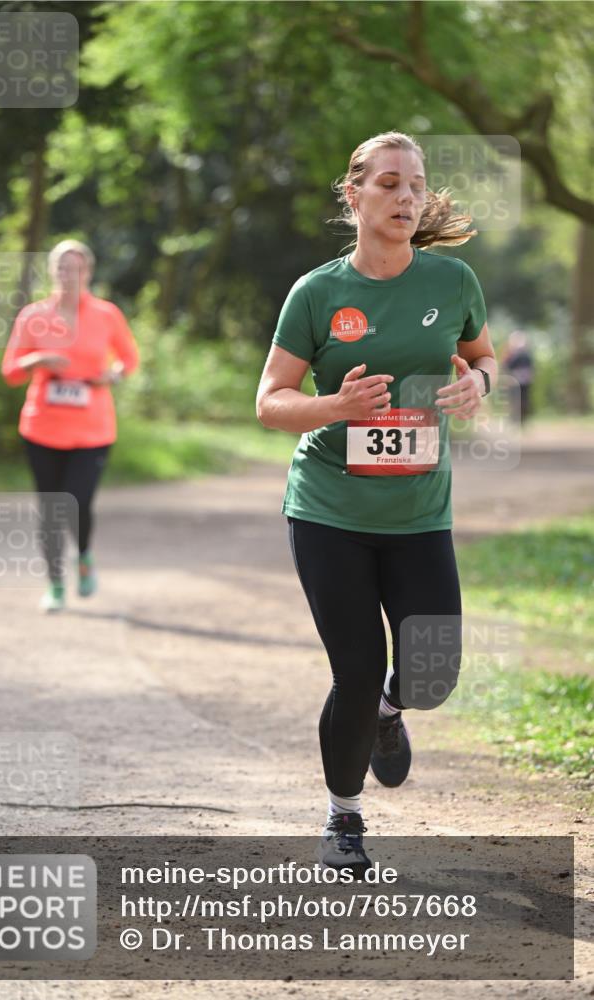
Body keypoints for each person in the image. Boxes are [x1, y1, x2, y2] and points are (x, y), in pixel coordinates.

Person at [256, 132, 497, 876]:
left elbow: (483, 358)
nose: (405, 197)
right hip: (329, 510)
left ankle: (392, 715)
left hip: (419, 513)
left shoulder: (452, 281)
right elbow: (270, 402)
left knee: (431, 673)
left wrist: (476, 387)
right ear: (353, 195)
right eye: (389, 183)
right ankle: (343, 815)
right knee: (355, 670)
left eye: (415, 185)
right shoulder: (318, 294)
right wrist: (336, 405)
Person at [1, 239, 139, 612]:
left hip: (93, 430)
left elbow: (129, 359)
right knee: (49, 510)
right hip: (42, 428)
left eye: (75, 267)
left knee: (78, 503)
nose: (68, 274)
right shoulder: (33, 315)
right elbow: (10, 371)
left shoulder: (107, 314)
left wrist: (112, 376)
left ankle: (83, 555)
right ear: (52, 272)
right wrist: (39, 357)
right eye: (61, 267)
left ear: (88, 272)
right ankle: (56, 585)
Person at [502, 329, 534, 423]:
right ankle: (517, 419)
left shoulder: (521, 354)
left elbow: (507, 365)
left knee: (520, 400)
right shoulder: (515, 354)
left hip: (520, 381)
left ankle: (520, 419)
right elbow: (507, 365)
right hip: (516, 381)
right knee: (517, 400)